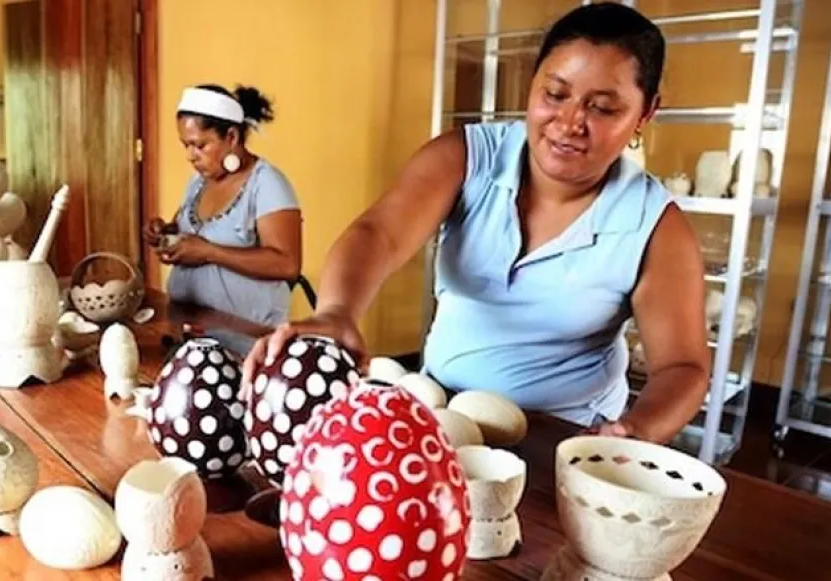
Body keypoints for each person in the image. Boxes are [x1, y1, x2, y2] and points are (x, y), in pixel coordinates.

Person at [242, 3, 710, 444]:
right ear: (533, 84)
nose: (569, 123)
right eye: (555, 94)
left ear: (646, 113)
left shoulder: (653, 225)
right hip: (441, 416)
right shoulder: (469, 157)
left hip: (563, 439)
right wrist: (337, 312)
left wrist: (634, 431)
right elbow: (378, 234)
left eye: (603, 108)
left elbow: (682, 367)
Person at [145, 84, 303, 327]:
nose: (190, 156)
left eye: (200, 145)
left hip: (244, 343)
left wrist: (209, 252)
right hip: (189, 333)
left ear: (231, 137)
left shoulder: (267, 184)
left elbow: (287, 264)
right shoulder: (198, 182)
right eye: (185, 145)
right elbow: (188, 231)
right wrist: (165, 233)